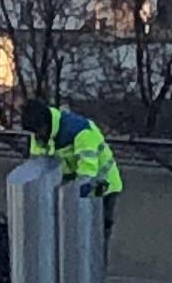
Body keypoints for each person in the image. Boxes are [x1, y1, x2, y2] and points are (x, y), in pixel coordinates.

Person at [19, 94, 122, 235]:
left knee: (94, 233)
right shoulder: (38, 134)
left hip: (103, 185)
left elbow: (87, 173)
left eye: (38, 132)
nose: (37, 137)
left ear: (45, 124)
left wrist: (70, 195)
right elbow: (38, 166)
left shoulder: (80, 131)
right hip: (74, 185)